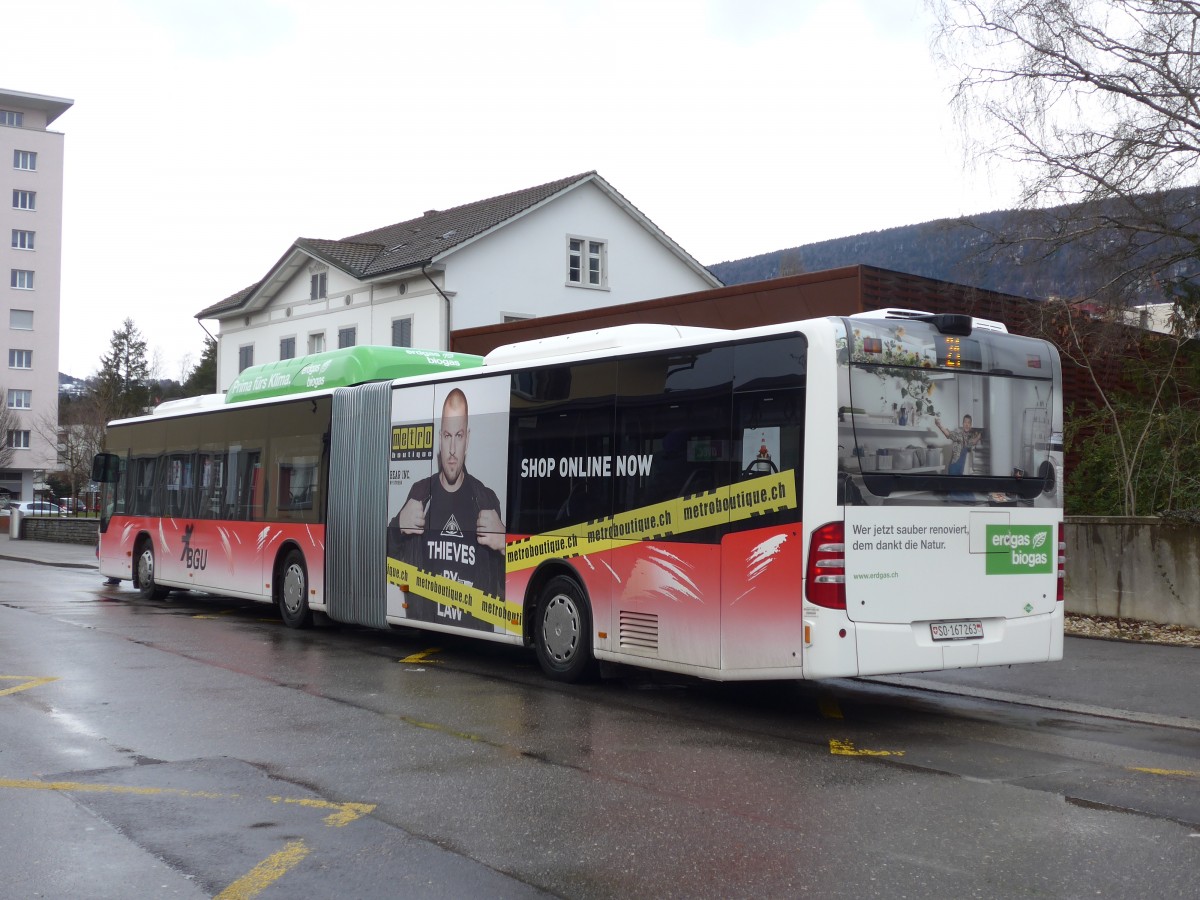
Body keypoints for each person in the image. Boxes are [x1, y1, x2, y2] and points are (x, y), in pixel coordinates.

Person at [387, 388, 505, 603]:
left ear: (467, 440)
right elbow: (382, 563)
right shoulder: (419, 494)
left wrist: (506, 543)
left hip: (472, 632)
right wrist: (397, 527)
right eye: (447, 436)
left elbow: (511, 588)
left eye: (458, 436)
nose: (452, 449)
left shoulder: (487, 500)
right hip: (426, 628)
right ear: (439, 438)